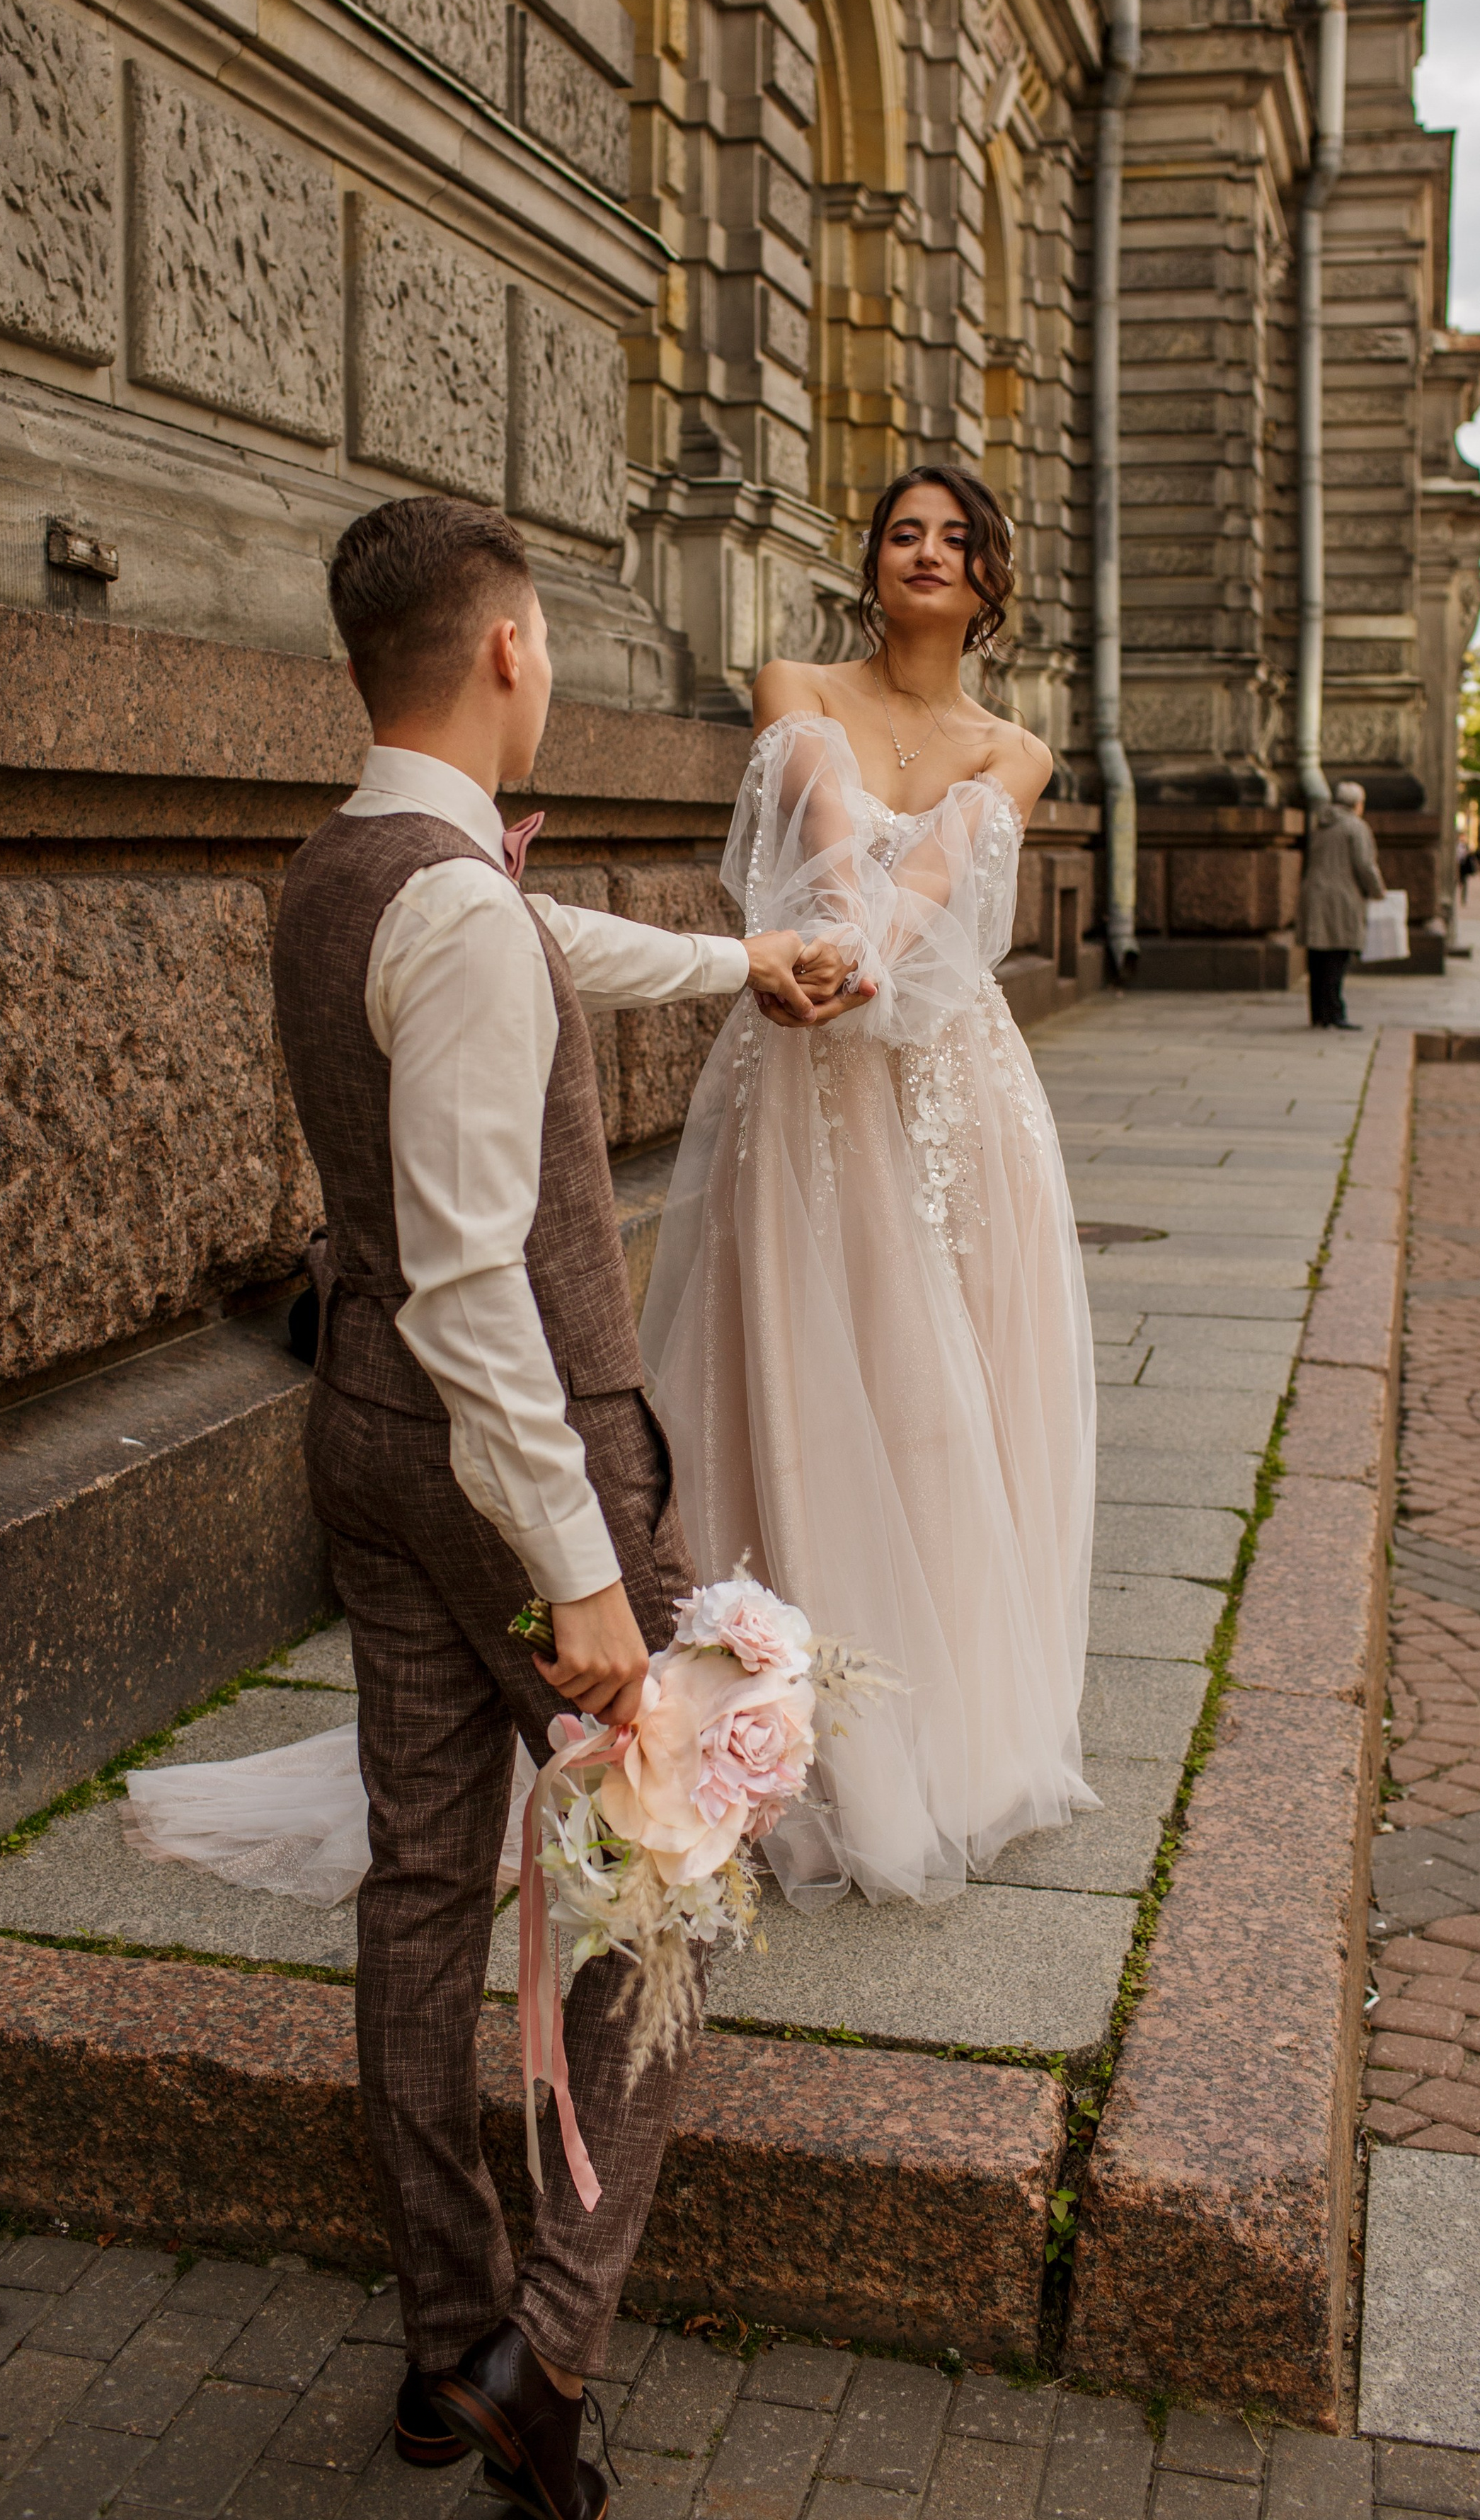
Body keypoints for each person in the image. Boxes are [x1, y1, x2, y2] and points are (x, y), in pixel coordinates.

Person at [245, 494, 825, 2520]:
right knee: (672, 1872)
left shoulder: (346, 872)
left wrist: (737, 957)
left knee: (420, 1896)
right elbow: (481, 1270)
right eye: (551, 638)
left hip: (364, 1442)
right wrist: (581, 1568)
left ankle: (436, 2352)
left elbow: (532, 950)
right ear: (504, 651)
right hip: (508, 1469)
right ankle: (545, 2345)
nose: (557, 664)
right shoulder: (459, 905)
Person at [638, 464, 1098, 1908]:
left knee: (939, 1379)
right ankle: (769, 1720)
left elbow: (951, 860)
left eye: (955, 539)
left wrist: (878, 957)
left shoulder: (1010, 747)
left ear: (986, 581)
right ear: (872, 561)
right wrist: (833, 942)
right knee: (788, 1356)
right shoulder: (794, 679)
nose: (925, 552)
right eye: (902, 531)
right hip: (806, 1070)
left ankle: (941, 1735)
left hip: (952, 1086)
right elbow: (822, 817)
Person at [1300, 778, 1386, 1031]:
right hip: (1341, 898)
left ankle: (1319, 1013)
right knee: (1337, 956)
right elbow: (1365, 865)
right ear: (1357, 804)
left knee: (1317, 957)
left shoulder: (1321, 823)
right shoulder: (1355, 827)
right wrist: (1378, 891)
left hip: (1314, 895)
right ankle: (1335, 1013)